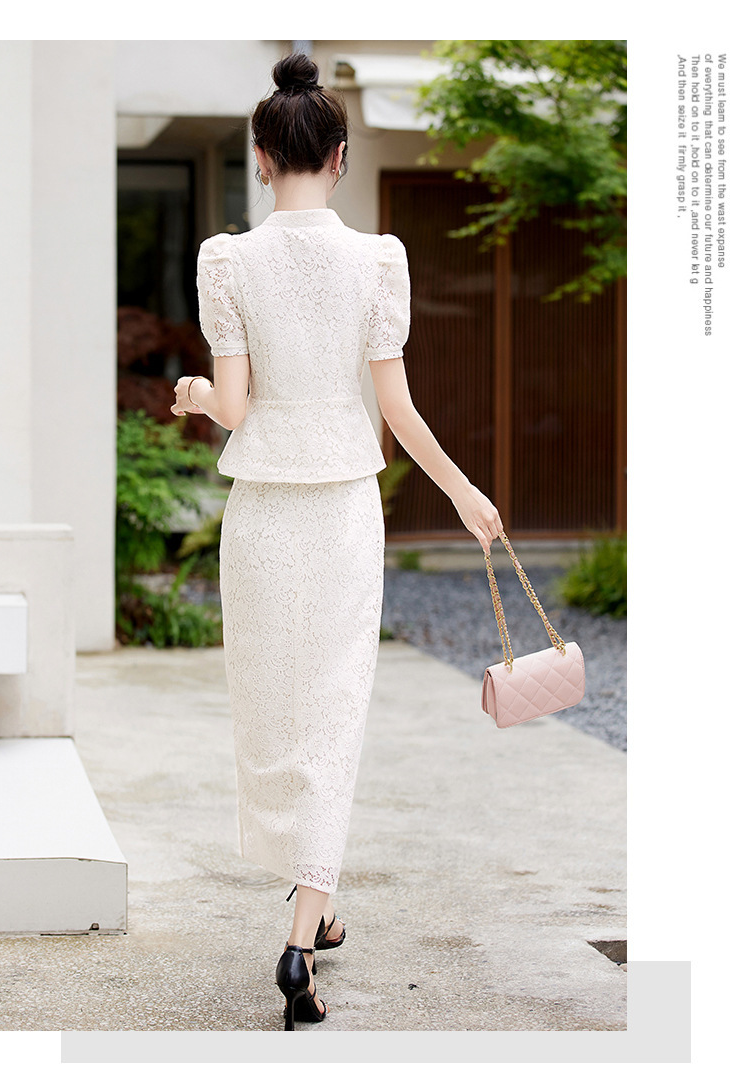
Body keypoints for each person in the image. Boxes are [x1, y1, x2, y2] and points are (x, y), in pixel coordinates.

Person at [170, 52, 503, 1031]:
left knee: (277, 719)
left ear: (261, 158)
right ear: (342, 156)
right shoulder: (379, 260)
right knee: (331, 715)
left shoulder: (227, 259)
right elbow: (396, 411)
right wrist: (466, 492)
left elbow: (235, 406)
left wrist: (194, 394)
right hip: (344, 511)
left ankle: (310, 914)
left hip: (263, 516)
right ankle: (302, 935)